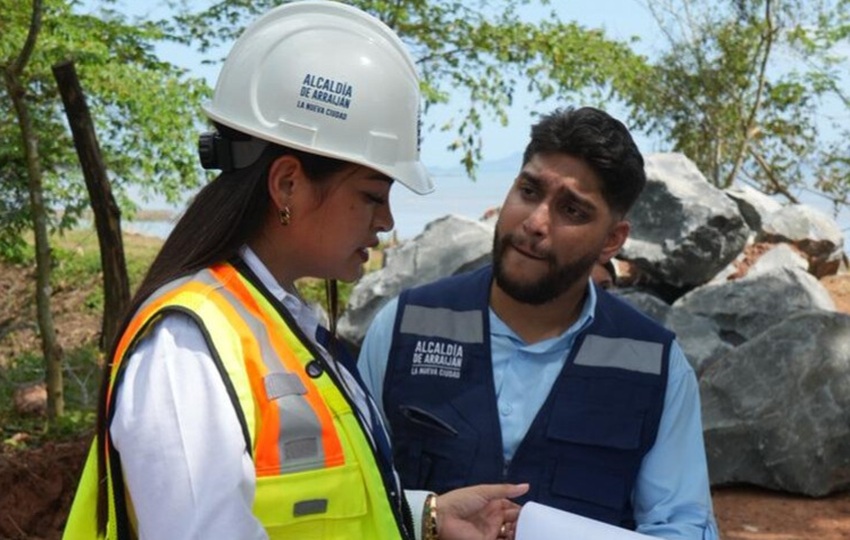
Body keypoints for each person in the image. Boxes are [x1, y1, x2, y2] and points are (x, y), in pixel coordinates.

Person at [62, 2, 527, 539]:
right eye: (371, 195)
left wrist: (424, 515)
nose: (387, 220)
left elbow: (305, 508)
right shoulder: (186, 349)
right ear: (287, 185)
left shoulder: (279, 325)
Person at [358, 106, 719, 539]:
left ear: (611, 241)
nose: (535, 223)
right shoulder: (403, 328)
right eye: (529, 191)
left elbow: (682, 527)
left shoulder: (657, 366)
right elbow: (350, 498)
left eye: (573, 210)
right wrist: (426, 516)